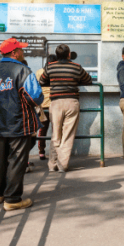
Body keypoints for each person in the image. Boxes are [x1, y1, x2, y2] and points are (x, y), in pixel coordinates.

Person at [0, 37, 43, 211]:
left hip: (0, 122)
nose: (23, 52)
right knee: (17, 159)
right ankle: (13, 199)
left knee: (0, 159)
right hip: (19, 122)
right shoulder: (23, 70)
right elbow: (35, 97)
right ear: (15, 53)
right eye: (21, 50)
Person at [40, 44, 92, 172]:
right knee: (68, 135)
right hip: (71, 102)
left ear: (57, 56)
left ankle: (52, 165)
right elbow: (88, 80)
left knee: (55, 134)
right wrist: (75, 81)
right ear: (69, 55)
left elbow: (42, 81)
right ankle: (63, 165)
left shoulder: (50, 67)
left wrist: (53, 81)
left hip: (56, 103)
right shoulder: (76, 67)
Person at [34, 54, 56, 161]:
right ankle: (55, 153)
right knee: (55, 129)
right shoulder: (56, 72)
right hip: (54, 104)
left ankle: (41, 152)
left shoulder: (39, 72)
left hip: (41, 105)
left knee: (42, 129)